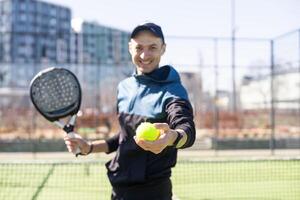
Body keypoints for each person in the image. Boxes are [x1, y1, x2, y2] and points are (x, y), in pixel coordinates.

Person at [64, 22, 196, 200]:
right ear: (129, 48)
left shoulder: (173, 90)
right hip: (119, 190)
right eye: (139, 47)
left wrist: (171, 137)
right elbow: (124, 139)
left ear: (163, 49)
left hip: (153, 192)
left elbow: (186, 129)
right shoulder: (124, 87)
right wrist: (89, 147)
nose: (144, 54)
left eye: (153, 47)